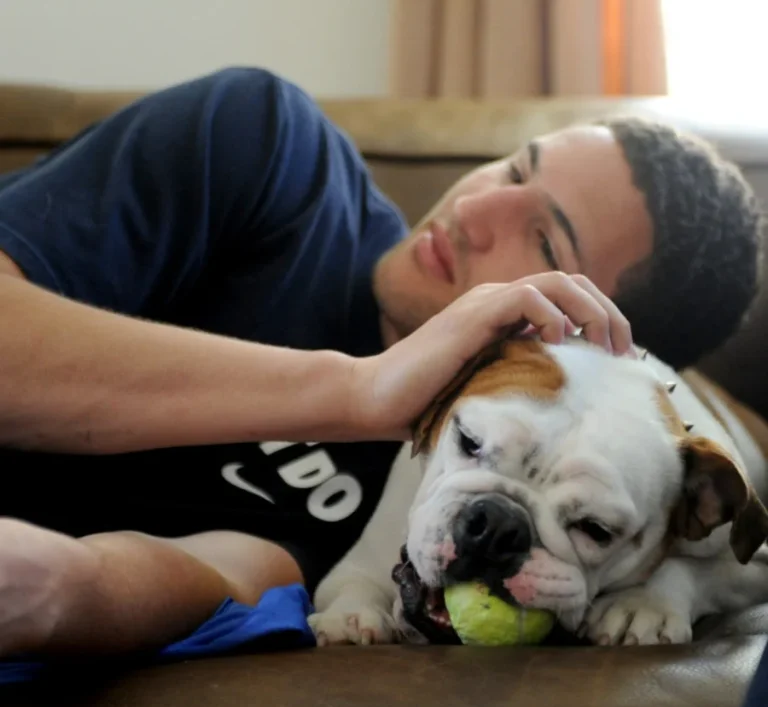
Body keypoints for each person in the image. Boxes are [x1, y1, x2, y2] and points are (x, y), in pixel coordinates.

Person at [0, 66, 761, 661]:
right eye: (515, 170)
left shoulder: (420, 495)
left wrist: (63, 589)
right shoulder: (264, 148)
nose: (474, 210)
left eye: (545, 245)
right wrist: (355, 390)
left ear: (598, 350)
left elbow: (220, 576)